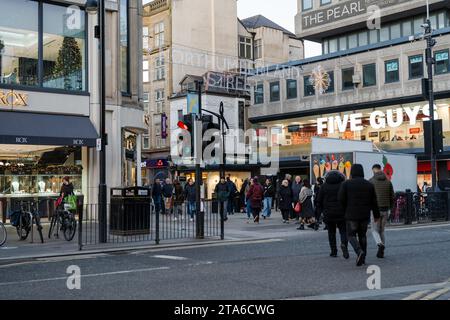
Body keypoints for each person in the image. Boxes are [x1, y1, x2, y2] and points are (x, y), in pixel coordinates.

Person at [339, 164, 380, 267]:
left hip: (351, 214)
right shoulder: (369, 184)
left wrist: (345, 210)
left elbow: (341, 199)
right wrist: (376, 215)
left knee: (351, 235)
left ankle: (358, 251)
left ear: (352, 172)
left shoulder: (346, 184)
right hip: (364, 214)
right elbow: (374, 201)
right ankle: (363, 257)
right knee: (362, 235)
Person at [317, 171, 349, 259]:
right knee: (343, 231)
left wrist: (319, 213)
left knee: (331, 232)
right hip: (342, 212)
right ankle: (344, 245)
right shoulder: (343, 185)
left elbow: (319, 200)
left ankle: (333, 251)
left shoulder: (324, 186)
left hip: (328, 213)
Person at [370, 164, 395, 259]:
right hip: (386, 209)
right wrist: (390, 207)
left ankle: (379, 244)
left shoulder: (371, 181)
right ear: (381, 170)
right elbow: (392, 196)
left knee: (374, 230)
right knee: (382, 230)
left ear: (373, 170)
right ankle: (382, 251)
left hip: (375, 209)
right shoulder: (388, 182)